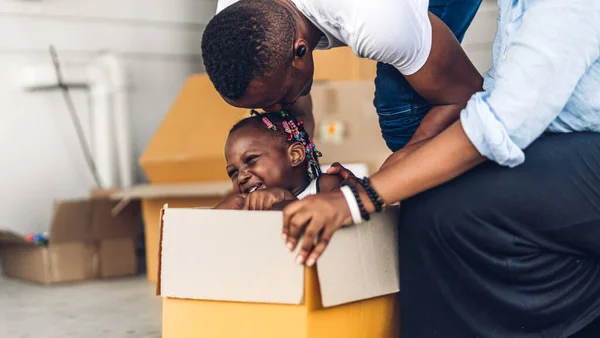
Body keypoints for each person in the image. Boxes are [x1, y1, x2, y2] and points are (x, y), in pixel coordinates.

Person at [204, 0, 600, 337]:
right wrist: (311, 183)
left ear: (301, 50)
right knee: (430, 207)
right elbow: (291, 122)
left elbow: (486, 109)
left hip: (552, 131)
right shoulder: (237, 21)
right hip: (558, 132)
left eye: (279, 98)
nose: (275, 112)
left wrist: (373, 189)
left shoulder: (377, 19)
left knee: (407, 127)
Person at [215, 111, 342, 210]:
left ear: (295, 155)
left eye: (251, 159)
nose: (241, 177)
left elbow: (330, 213)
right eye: (233, 172)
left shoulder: (326, 185)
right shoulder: (246, 207)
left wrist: (285, 198)